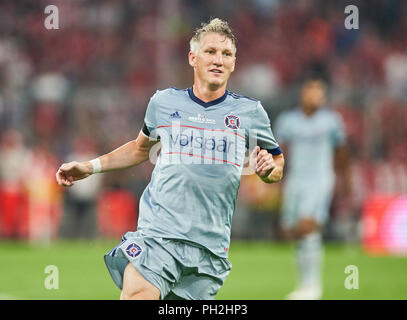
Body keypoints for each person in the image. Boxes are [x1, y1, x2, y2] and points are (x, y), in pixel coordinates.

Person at [56, 18, 285, 300]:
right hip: (158, 236)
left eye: (226, 54)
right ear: (193, 57)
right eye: (210, 51)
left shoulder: (251, 112)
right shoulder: (164, 103)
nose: (218, 60)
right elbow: (140, 149)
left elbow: (277, 162)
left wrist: (268, 170)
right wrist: (91, 167)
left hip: (208, 249)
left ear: (234, 63)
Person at [274, 78, 350, 300]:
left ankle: (313, 287)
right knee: (293, 231)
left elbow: (341, 151)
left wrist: (346, 179)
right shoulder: (288, 121)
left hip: (320, 179)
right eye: (311, 91)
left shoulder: (331, 121)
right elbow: (280, 151)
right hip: (295, 180)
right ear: (302, 94)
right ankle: (303, 285)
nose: (315, 96)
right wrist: (276, 180)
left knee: (308, 226)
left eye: (319, 92)